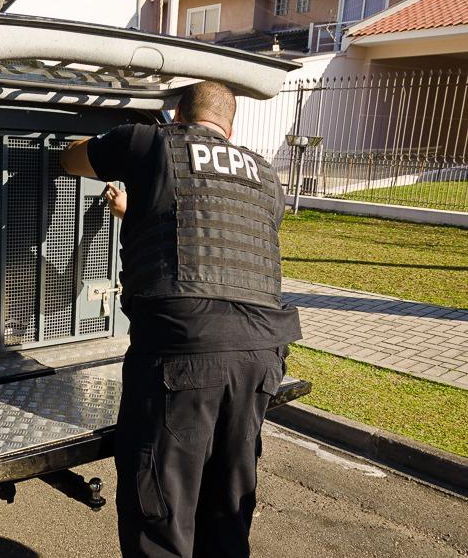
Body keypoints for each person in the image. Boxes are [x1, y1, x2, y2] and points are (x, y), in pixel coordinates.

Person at [60, 81, 302, 558]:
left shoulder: (149, 143)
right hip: (260, 358)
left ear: (176, 117)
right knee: (227, 509)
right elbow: (210, 236)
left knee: (162, 512)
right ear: (230, 128)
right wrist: (138, 210)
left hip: (183, 356)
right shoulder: (265, 175)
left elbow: (71, 159)